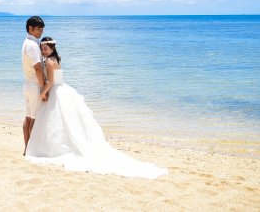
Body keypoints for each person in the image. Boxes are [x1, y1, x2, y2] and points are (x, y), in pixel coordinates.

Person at [26, 37, 168, 179]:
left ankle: (53, 149)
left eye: (45, 49)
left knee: (56, 121)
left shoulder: (50, 61)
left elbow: (51, 81)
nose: (43, 51)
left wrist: (43, 92)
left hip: (56, 90)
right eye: (42, 49)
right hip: (61, 89)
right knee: (61, 121)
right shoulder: (53, 59)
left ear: (52, 49)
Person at [21, 16, 46, 155]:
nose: (41, 32)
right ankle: (31, 150)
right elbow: (38, 68)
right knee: (35, 119)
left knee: (29, 118)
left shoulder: (26, 43)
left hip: (27, 84)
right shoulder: (32, 45)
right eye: (38, 29)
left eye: (42, 29)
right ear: (30, 28)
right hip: (35, 85)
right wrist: (43, 89)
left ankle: (27, 148)